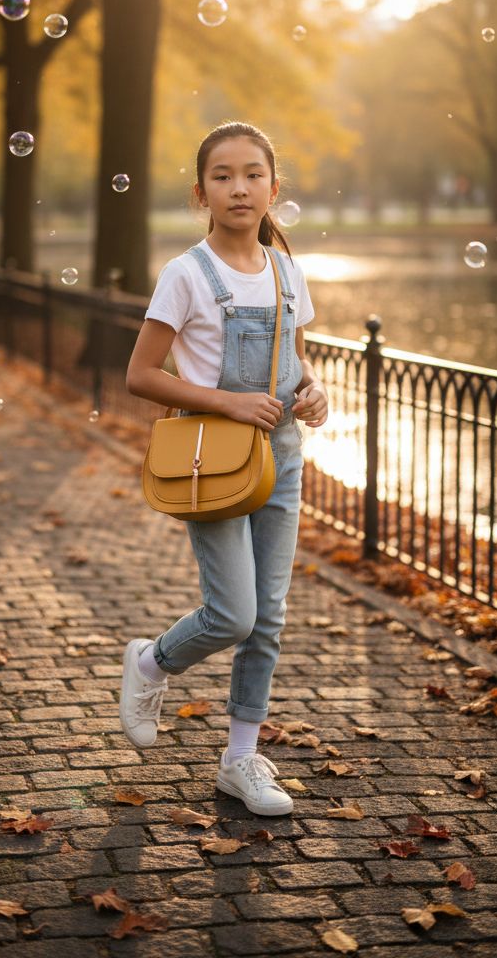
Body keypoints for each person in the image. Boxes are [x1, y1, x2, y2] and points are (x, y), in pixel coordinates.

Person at [121, 121, 329, 816]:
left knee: (268, 619)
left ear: (273, 187)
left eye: (252, 174)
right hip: (210, 459)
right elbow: (141, 374)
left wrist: (315, 390)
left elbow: (297, 360)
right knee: (234, 614)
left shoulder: (287, 271)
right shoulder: (186, 274)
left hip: (283, 458)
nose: (239, 187)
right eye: (222, 176)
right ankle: (150, 662)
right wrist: (228, 402)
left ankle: (240, 760)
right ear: (200, 193)